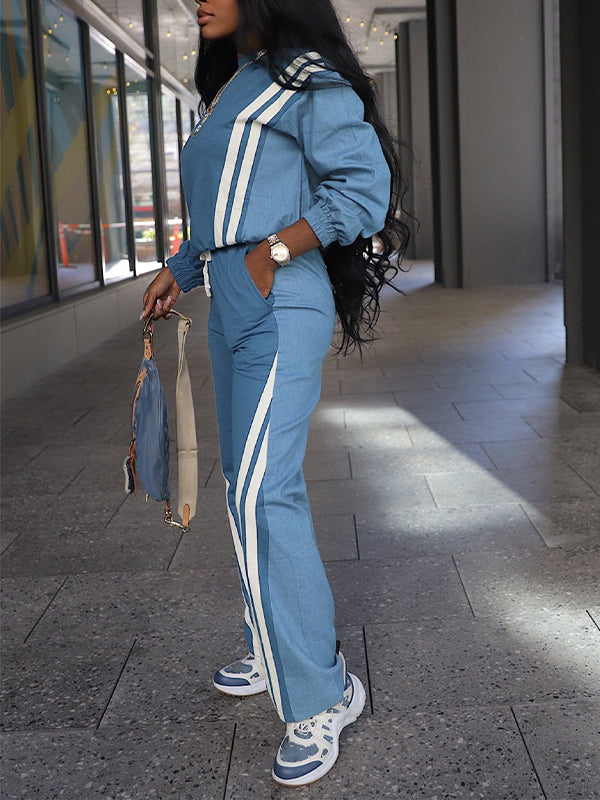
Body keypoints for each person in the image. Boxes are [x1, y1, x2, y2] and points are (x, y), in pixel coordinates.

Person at [140, 0, 409, 786]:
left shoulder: (304, 77)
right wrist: (181, 269)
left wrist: (273, 253)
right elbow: (223, 210)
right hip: (229, 298)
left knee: (264, 488)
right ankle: (272, 642)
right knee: (242, 484)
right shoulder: (233, 85)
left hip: (280, 298)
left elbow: (364, 187)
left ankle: (325, 692)